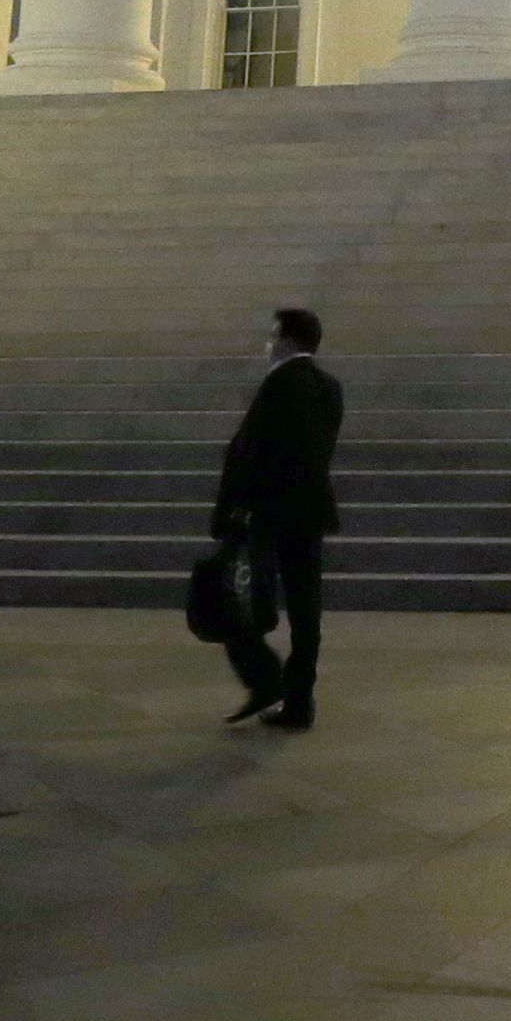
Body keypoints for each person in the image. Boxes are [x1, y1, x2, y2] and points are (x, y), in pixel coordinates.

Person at [214, 308, 344, 729]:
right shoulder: (330, 388)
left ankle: (265, 678)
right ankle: (300, 700)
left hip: (269, 514)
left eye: (272, 336)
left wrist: (232, 509)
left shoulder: (277, 386)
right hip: (310, 511)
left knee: (238, 601)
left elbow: (251, 454)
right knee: (307, 610)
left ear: (287, 340)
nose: (268, 344)